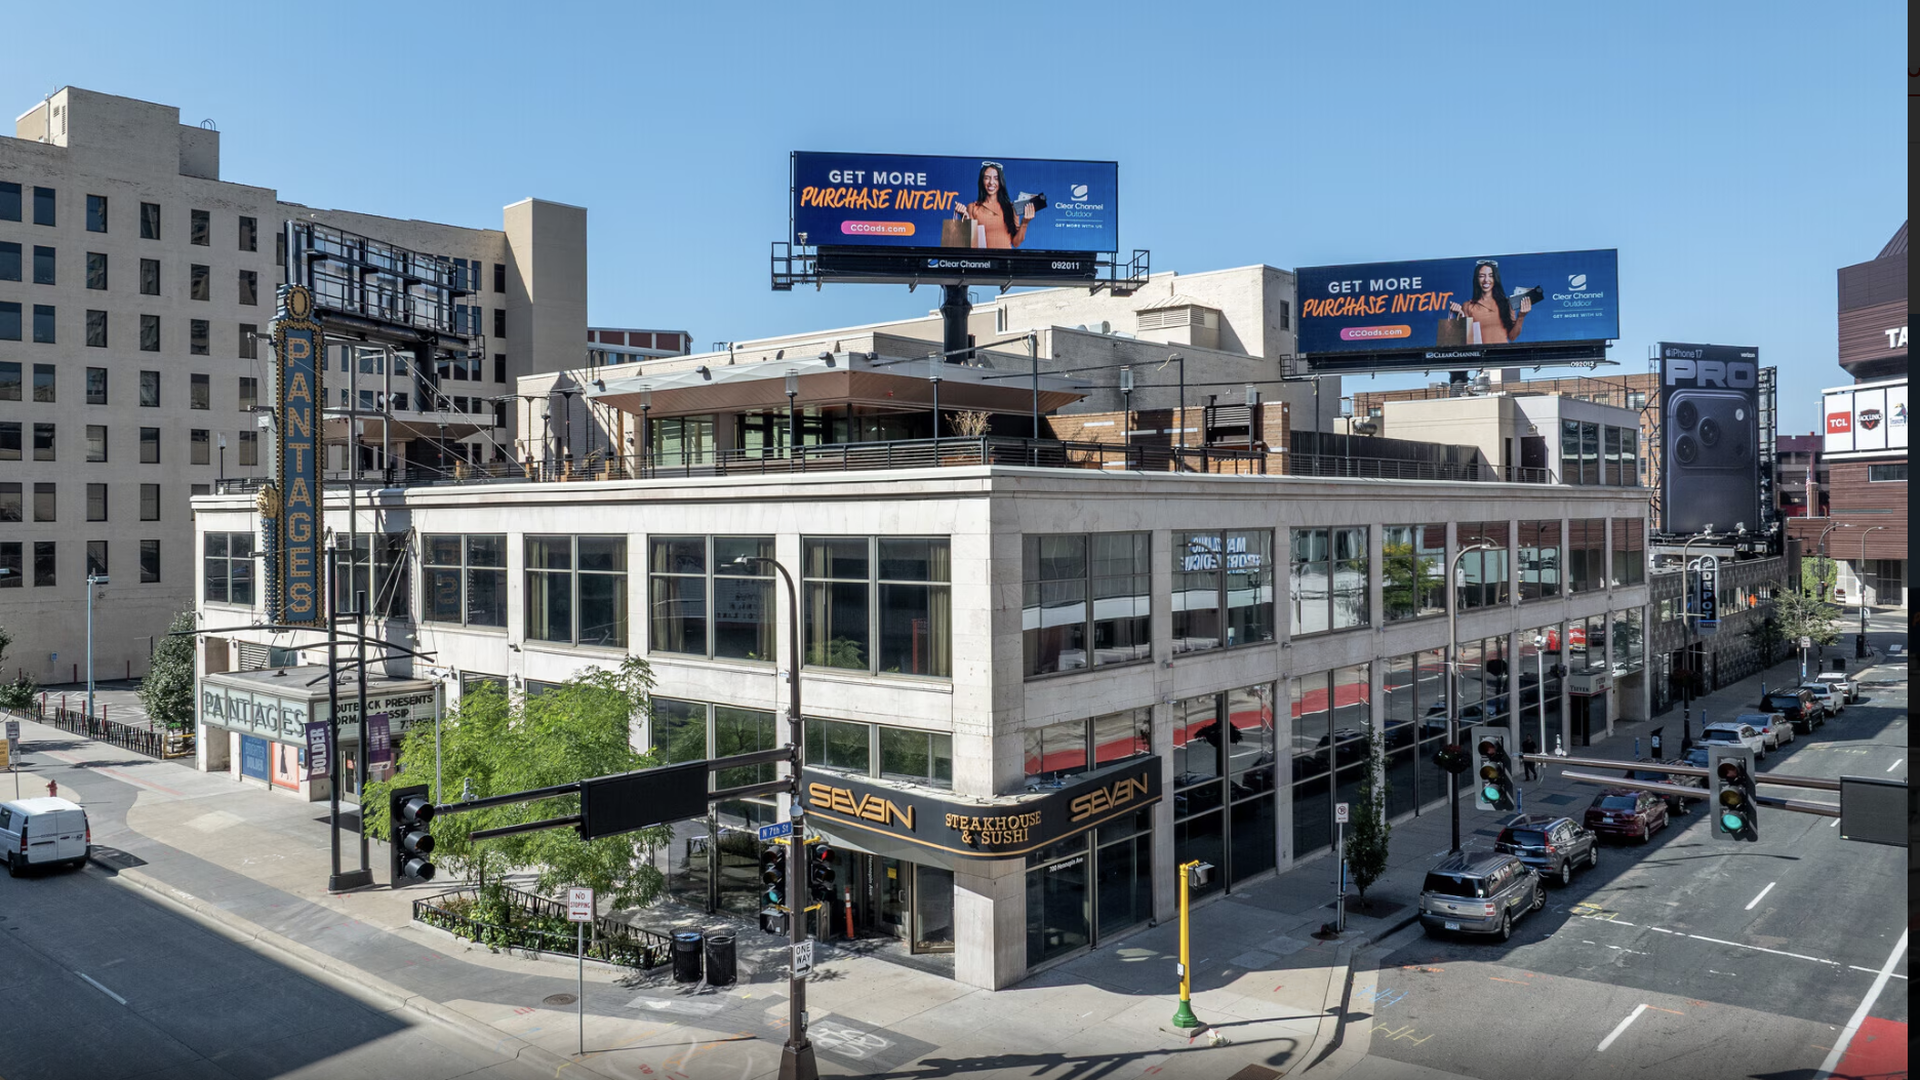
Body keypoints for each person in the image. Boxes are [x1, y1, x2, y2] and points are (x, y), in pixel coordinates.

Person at [953, 161, 1034, 249]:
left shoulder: (1011, 208)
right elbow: (970, 242)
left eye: (996, 178)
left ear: (1001, 181)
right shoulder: (973, 208)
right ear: (982, 180)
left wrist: (1025, 223)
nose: (991, 182)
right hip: (983, 261)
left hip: (1005, 260)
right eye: (987, 178)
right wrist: (964, 216)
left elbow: (1016, 243)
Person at [1448, 259, 1530, 344]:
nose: (1486, 280)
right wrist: (1460, 315)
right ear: (1477, 279)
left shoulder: (1507, 303)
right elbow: (1466, 339)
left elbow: (1512, 337)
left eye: (1491, 275)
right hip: (1480, 355)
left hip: (1502, 354)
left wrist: (1521, 317)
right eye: (1482, 276)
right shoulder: (1468, 306)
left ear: (1495, 278)